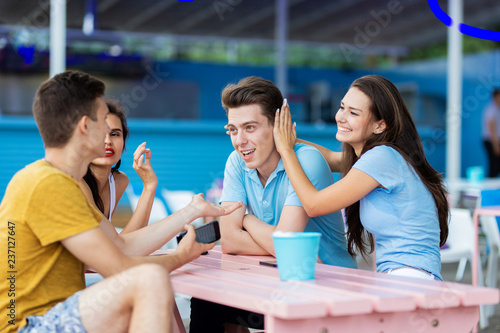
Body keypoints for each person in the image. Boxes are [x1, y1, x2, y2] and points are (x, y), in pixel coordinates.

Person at [0, 70, 241, 333]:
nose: (109, 134)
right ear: (84, 126)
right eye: (104, 120)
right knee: (148, 280)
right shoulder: (50, 184)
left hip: (56, 316)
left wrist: (191, 212)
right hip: (28, 326)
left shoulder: (52, 179)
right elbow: (121, 268)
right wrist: (181, 255)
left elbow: (122, 247)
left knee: (150, 292)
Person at [189, 76, 355, 333]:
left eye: (250, 128)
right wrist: (275, 242)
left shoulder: (306, 161)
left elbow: (286, 241)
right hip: (279, 283)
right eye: (233, 129)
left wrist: (245, 219)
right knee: (207, 302)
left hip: (328, 288)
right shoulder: (237, 162)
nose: (239, 140)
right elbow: (231, 241)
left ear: (279, 126)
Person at [274, 75, 449, 281]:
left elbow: (314, 205)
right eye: (342, 107)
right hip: (403, 276)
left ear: (380, 125)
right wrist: (278, 136)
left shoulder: (382, 157)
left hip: (411, 278)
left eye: (353, 113)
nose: (341, 117)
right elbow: (330, 158)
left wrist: (286, 150)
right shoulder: (381, 158)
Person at [80, 99, 156, 234]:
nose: (108, 141)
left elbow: (127, 242)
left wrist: (149, 186)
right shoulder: (75, 182)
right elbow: (118, 245)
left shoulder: (118, 182)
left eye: (114, 134)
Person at [482, 88, 500, 177]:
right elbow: (491, 128)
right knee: (494, 163)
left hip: (495, 140)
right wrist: (495, 145)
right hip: (491, 140)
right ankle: (491, 183)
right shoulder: (491, 109)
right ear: (495, 96)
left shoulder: (497, 109)